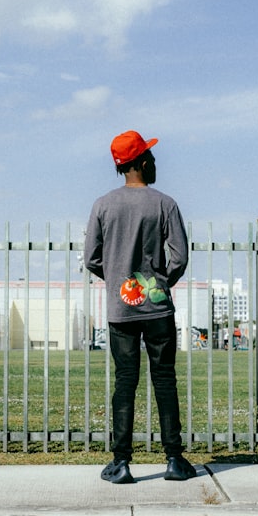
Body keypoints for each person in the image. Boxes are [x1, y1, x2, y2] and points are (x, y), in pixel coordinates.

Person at [84, 130, 196, 484]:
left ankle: (121, 463)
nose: (155, 162)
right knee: (164, 380)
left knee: (125, 382)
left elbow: (91, 258)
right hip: (158, 308)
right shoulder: (165, 204)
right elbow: (179, 256)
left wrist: (118, 278)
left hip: (122, 309)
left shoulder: (102, 205)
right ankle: (175, 460)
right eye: (151, 156)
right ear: (142, 162)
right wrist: (160, 284)